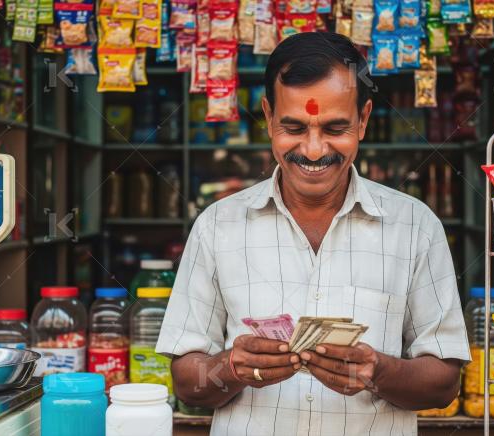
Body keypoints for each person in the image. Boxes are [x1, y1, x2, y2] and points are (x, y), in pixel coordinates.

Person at [155, 32, 470, 435]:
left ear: (363, 119)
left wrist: (380, 371)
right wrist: (230, 368)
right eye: (294, 127)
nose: (315, 149)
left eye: (335, 128)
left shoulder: (415, 226)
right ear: (268, 117)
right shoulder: (218, 226)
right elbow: (186, 383)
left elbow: (443, 383)